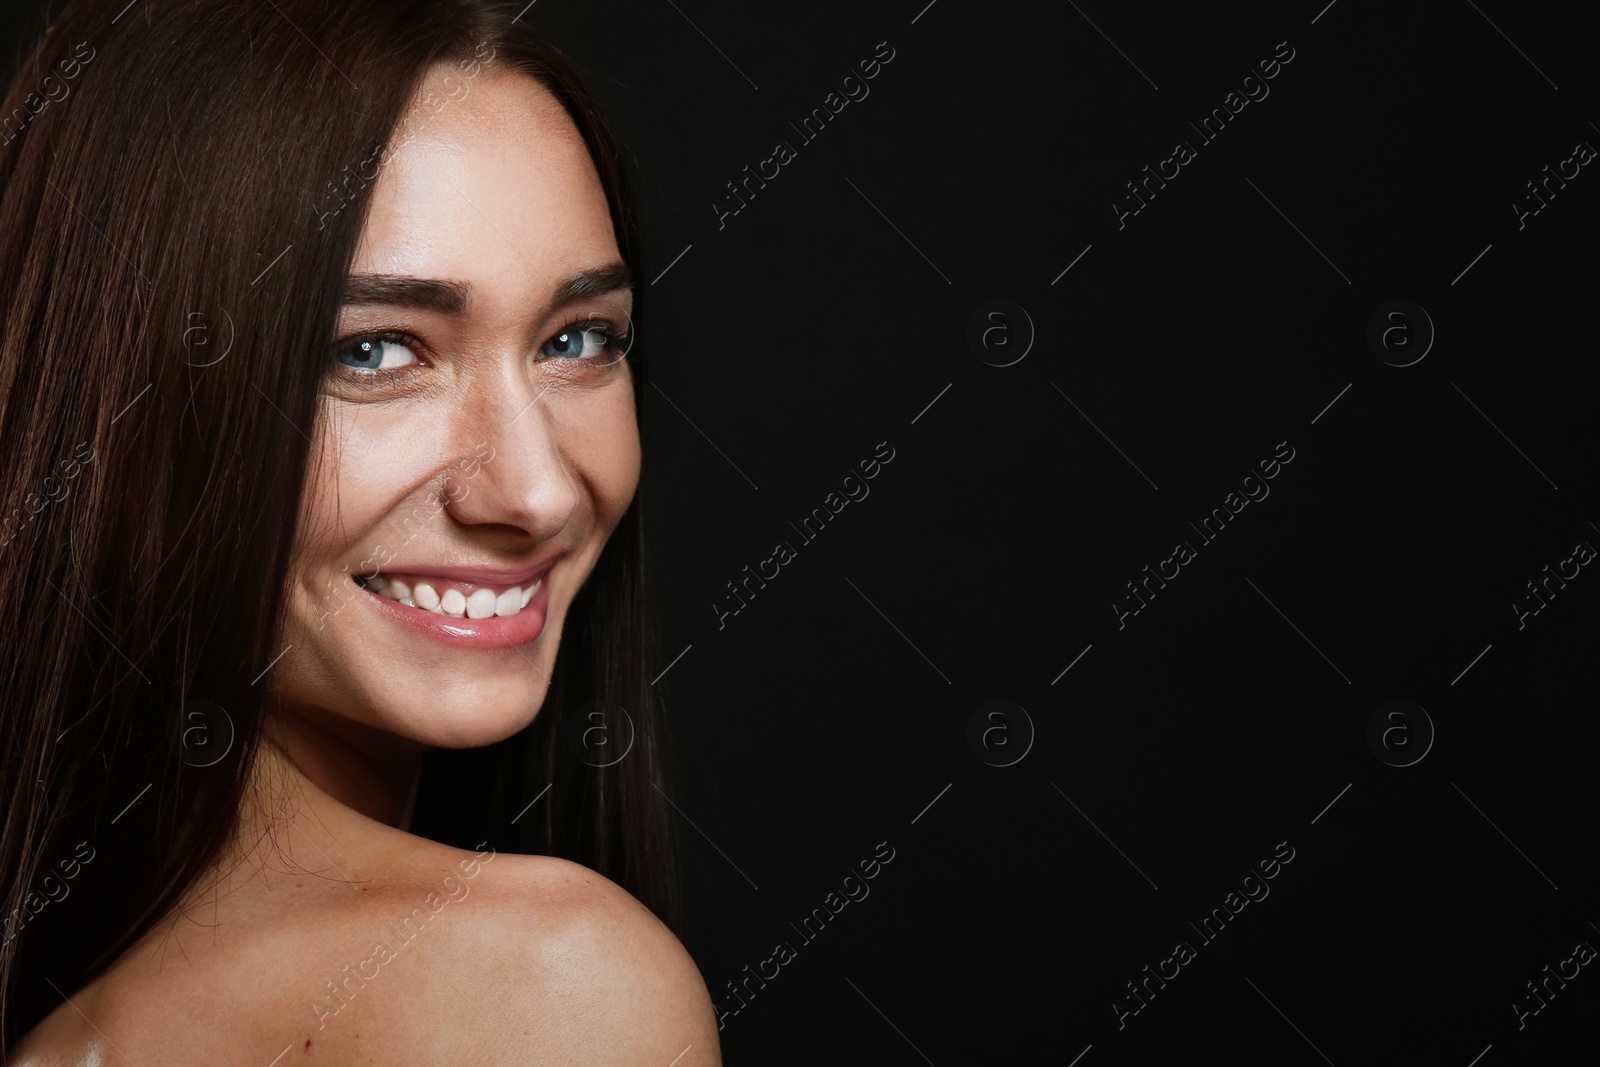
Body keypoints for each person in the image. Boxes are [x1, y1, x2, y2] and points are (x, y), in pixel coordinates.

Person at [0, 0, 721, 1061]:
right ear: (137, 407)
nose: (534, 492)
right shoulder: (545, 984)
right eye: (375, 352)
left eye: (577, 338)